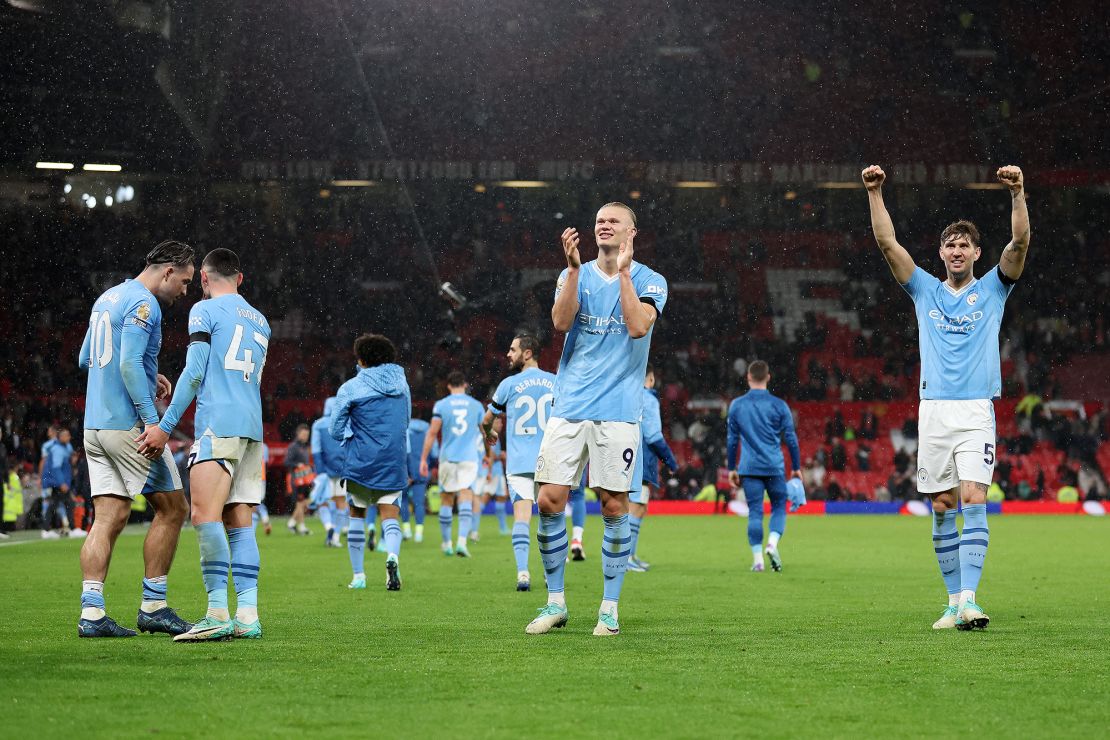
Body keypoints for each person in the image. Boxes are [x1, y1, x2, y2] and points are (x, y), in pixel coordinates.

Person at [863, 163, 1030, 630]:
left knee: (974, 495)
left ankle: (971, 600)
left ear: (977, 252)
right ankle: (953, 602)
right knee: (940, 505)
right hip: (933, 410)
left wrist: (1018, 194)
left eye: (965, 245)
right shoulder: (924, 290)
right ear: (940, 253)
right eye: (950, 245)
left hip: (976, 410)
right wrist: (875, 193)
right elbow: (886, 244)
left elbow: (1019, 244)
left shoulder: (995, 288)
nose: (957, 251)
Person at [527, 201, 668, 637]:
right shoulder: (575, 274)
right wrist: (571, 272)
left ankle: (609, 607)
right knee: (549, 499)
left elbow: (638, 326)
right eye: (599, 222)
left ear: (631, 233)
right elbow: (560, 321)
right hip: (569, 404)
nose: (604, 227)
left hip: (620, 410)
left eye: (614, 222)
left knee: (612, 505)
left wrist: (623, 273)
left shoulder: (650, 280)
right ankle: (555, 602)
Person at [140, 247, 271, 642]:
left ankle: (216, 612)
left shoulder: (205, 311)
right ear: (241, 278)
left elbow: (195, 372)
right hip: (252, 427)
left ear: (204, 279)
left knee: (204, 515)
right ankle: (247, 615)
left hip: (219, 423)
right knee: (240, 522)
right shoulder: (261, 320)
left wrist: (165, 425)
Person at [76, 240, 195, 638]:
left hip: (94, 425)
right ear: (166, 272)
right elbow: (126, 362)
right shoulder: (145, 304)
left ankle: (92, 614)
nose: (184, 290)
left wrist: (149, 373)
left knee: (109, 516)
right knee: (173, 508)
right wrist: (152, 422)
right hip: (127, 424)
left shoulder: (107, 297)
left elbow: (85, 359)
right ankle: (154, 606)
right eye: (183, 280)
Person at [329, 334, 410, 591]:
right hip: (393, 459)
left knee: (357, 513)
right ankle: (392, 558)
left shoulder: (351, 388)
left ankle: (359, 576)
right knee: (390, 514)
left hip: (361, 460)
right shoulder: (402, 384)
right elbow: (405, 419)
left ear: (361, 359)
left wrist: (350, 437)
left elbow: (334, 428)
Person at [481, 333, 557, 591]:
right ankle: (551, 575)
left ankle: (523, 573)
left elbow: (485, 420)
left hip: (519, 463)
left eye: (513, 350)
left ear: (527, 353)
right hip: (550, 461)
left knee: (522, 518)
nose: (508, 354)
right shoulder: (556, 382)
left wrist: (489, 433)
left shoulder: (508, 385)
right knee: (550, 522)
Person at [726, 360, 801, 572]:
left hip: (749, 468)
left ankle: (758, 560)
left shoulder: (737, 405)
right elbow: (791, 439)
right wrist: (796, 467)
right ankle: (772, 544)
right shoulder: (779, 405)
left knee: (755, 512)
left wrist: (732, 468)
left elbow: (732, 440)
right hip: (774, 467)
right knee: (779, 507)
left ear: (748, 378)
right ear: (768, 377)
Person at [420, 371, 484, 558]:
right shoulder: (476, 405)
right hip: (469, 458)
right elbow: (484, 431)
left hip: (448, 457)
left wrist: (424, 458)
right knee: (466, 496)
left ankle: (447, 543)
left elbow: (432, 433)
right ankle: (462, 542)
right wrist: (488, 453)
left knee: (447, 499)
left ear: (448, 386)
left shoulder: (441, 405)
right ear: (465, 384)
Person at [627, 364, 678, 573]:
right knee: (636, 507)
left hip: (626, 456)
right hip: (642, 459)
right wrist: (670, 461)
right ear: (650, 379)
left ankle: (630, 555)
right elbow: (653, 435)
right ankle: (626, 558)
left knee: (638, 506)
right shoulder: (648, 398)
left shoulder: (627, 395)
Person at [311, 397, 349, 548]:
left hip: (324, 470)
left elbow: (316, 450)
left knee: (322, 501)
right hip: (342, 469)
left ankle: (329, 527)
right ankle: (336, 537)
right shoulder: (345, 422)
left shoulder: (318, 425)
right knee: (341, 503)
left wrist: (320, 471)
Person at [402, 415, 434, 542]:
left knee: (403, 500)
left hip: (406, 472)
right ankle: (419, 534)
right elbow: (434, 452)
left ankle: (406, 530)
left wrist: (408, 473)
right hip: (422, 470)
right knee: (419, 503)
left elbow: (403, 450)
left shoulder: (405, 428)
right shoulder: (428, 429)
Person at [39, 427, 74, 538]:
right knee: (67, 504)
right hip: (59, 482)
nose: (69, 437)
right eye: (67, 435)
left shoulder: (65, 446)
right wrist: (61, 483)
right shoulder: (57, 449)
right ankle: (72, 528)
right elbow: (56, 468)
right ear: (61, 437)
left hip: (60, 482)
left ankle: (46, 529)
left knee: (54, 505)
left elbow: (70, 454)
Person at [284, 424, 314, 536]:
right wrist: (298, 464)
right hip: (296, 480)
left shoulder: (305, 447)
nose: (306, 436)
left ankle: (293, 523)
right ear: (298, 434)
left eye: (307, 434)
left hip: (305, 479)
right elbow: (286, 462)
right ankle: (300, 526)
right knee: (300, 502)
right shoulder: (293, 447)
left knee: (302, 503)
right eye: (304, 434)